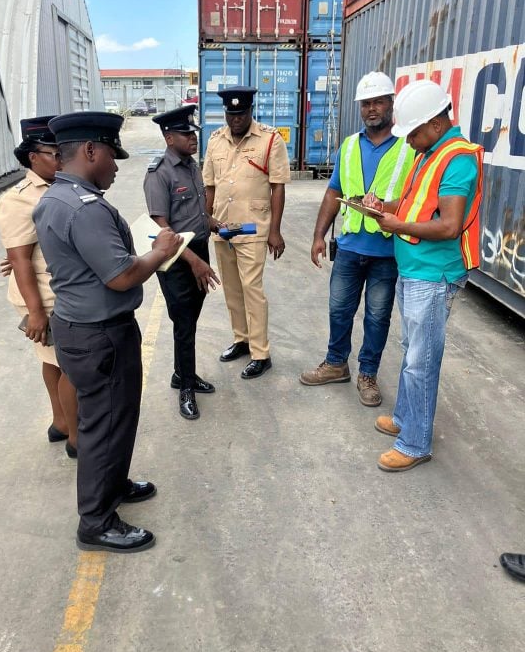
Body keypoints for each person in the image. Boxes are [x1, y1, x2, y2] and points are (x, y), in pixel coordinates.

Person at [33, 111, 182, 553]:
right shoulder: (84, 208)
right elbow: (120, 276)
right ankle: (95, 522)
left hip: (83, 329)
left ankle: (113, 486)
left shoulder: (56, 198)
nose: (117, 166)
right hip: (101, 335)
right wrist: (160, 251)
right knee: (106, 424)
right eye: (112, 156)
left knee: (114, 421)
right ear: (90, 151)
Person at [363, 79, 483, 472]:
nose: (409, 140)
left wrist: (395, 226)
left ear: (435, 123)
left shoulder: (457, 158)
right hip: (415, 270)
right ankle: (404, 418)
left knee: (421, 359)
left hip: (434, 274)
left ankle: (414, 442)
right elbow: (415, 204)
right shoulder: (429, 153)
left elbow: (449, 225)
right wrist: (383, 206)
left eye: (412, 132)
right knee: (412, 349)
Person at [300, 72, 415, 407]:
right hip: (350, 246)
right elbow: (333, 190)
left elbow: (416, 199)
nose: (371, 109)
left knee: (377, 317)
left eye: (378, 101)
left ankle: (368, 374)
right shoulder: (349, 146)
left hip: (387, 250)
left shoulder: (409, 147)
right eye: (366, 103)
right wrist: (318, 234)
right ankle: (336, 364)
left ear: (391, 105)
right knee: (339, 310)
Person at [0, 116, 78, 456]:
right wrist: (35, 313)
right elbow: (21, 260)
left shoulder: (61, 186)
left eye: (62, 151)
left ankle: (60, 422)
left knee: (53, 359)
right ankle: (76, 437)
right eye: (53, 152)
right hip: (44, 297)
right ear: (32, 156)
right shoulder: (20, 199)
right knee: (73, 365)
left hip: (54, 290)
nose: (61, 159)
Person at [202, 86, 290, 379]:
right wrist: (206, 220)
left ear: (251, 111)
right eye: (231, 114)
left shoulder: (270, 139)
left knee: (252, 289)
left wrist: (275, 231)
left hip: (253, 227)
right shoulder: (214, 141)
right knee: (231, 289)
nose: (235, 119)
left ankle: (260, 352)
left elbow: (278, 186)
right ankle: (241, 339)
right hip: (223, 227)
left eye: (240, 114)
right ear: (225, 113)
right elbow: (209, 187)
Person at [143, 106, 221, 420]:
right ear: (168, 136)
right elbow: (161, 226)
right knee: (184, 323)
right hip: (177, 259)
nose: (193, 138)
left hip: (199, 250)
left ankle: (182, 373)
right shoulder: (159, 172)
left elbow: (196, 210)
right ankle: (185, 386)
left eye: (194, 133)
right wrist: (194, 262)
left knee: (190, 319)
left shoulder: (191, 166)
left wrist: (211, 221)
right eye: (187, 134)